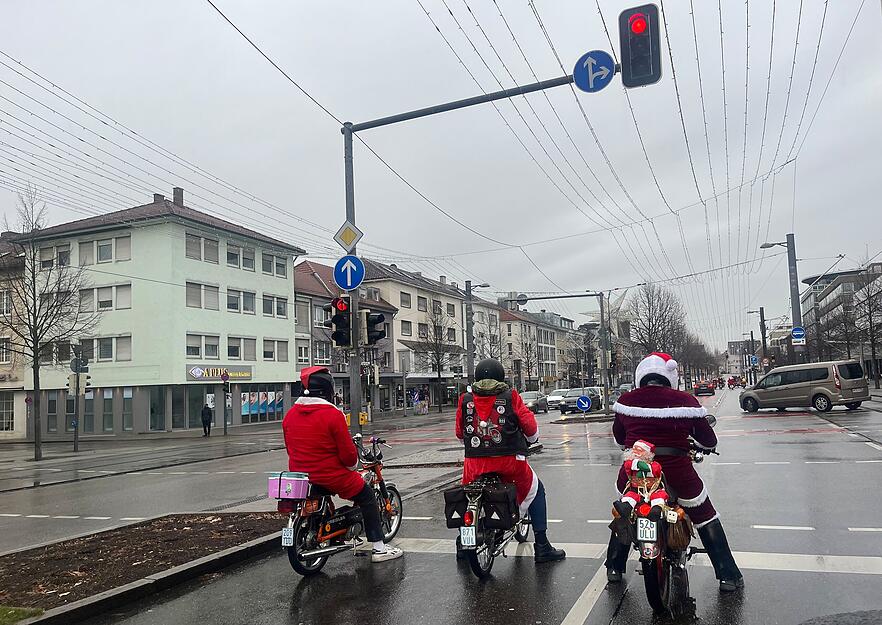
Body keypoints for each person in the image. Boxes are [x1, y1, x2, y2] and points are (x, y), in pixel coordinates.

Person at [605, 352, 744, 592]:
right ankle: (727, 575)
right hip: (676, 471)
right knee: (705, 515)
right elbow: (708, 440)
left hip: (636, 473)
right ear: (671, 377)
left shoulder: (626, 401)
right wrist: (704, 444)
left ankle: (614, 567)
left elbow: (619, 438)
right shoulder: (685, 401)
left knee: (625, 512)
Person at [282, 366, 403, 563]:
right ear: (327, 390)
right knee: (367, 495)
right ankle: (379, 548)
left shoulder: (290, 416)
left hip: (302, 477)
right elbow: (348, 457)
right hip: (330, 476)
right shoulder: (332, 415)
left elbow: (290, 449)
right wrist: (353, 465)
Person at [455, 358, 566, 563]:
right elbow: (529, 426)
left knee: (469, 496)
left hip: (475, 464)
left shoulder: (465, 399)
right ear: (500, 377)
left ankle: (464, 544)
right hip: (509, 462)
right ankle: (542, 545)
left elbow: (460, 434)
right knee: (535, 490)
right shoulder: (510, 396)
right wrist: (532, 439)